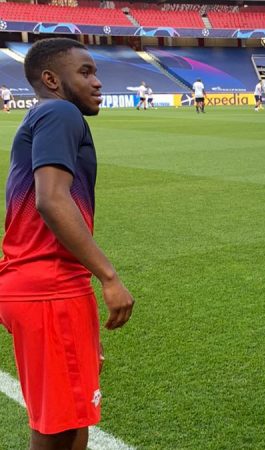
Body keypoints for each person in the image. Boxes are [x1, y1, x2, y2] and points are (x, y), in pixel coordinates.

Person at [0, 38, 135, 450]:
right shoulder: (60, 111)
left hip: (44, 286)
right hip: (49, 288)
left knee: (73, 417)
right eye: (85, 72)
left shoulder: (45, 114)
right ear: (51, 79)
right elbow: (51, 198)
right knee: (57, 428)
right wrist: (109, 277)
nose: (97, 82)